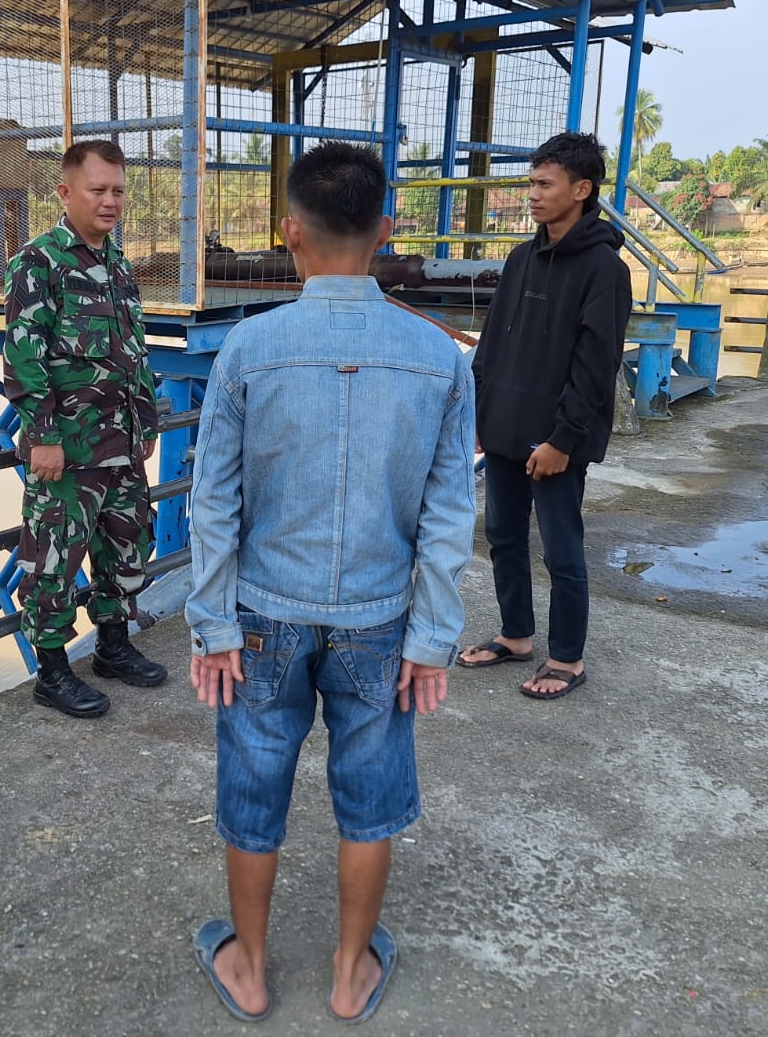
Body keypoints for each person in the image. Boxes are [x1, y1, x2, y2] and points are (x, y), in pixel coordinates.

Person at [186, 142, 475, 1023]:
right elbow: (448, 514)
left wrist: (213, 625)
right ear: (385, 232)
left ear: (290, 234)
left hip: (263, 613)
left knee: (254, 781)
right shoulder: (441, 357)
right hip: (380, 620)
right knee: (370, 793)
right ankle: (351, 973)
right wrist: (433, 637)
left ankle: (249, 965)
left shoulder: (248, 348)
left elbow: (214, 501)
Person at [455, 131, 632, 699]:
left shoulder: (604, 268)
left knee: (561, 549)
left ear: (582, 189)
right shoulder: (521, 258)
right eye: (531, 183)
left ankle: (567, 659)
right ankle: (516, 636)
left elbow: (596, 366)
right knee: (503, 536)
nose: (532, 194)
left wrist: (563, 439)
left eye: (544, 184)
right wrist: (478, 414)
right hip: (505, 428)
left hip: (556, 442)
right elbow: (493, 344)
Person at [2, 139, 166, 719]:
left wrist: (147, 420)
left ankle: (112, 647)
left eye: (118, 190)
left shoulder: (117, 264)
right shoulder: (38, 263)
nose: (110, 201)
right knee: (54, 560)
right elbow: (24, 358)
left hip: (122, 444)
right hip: (68, 450)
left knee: (126, 546)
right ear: (65, 191)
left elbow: (133, 353)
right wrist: (44, 437)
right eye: (98, 190)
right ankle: (51, 673)